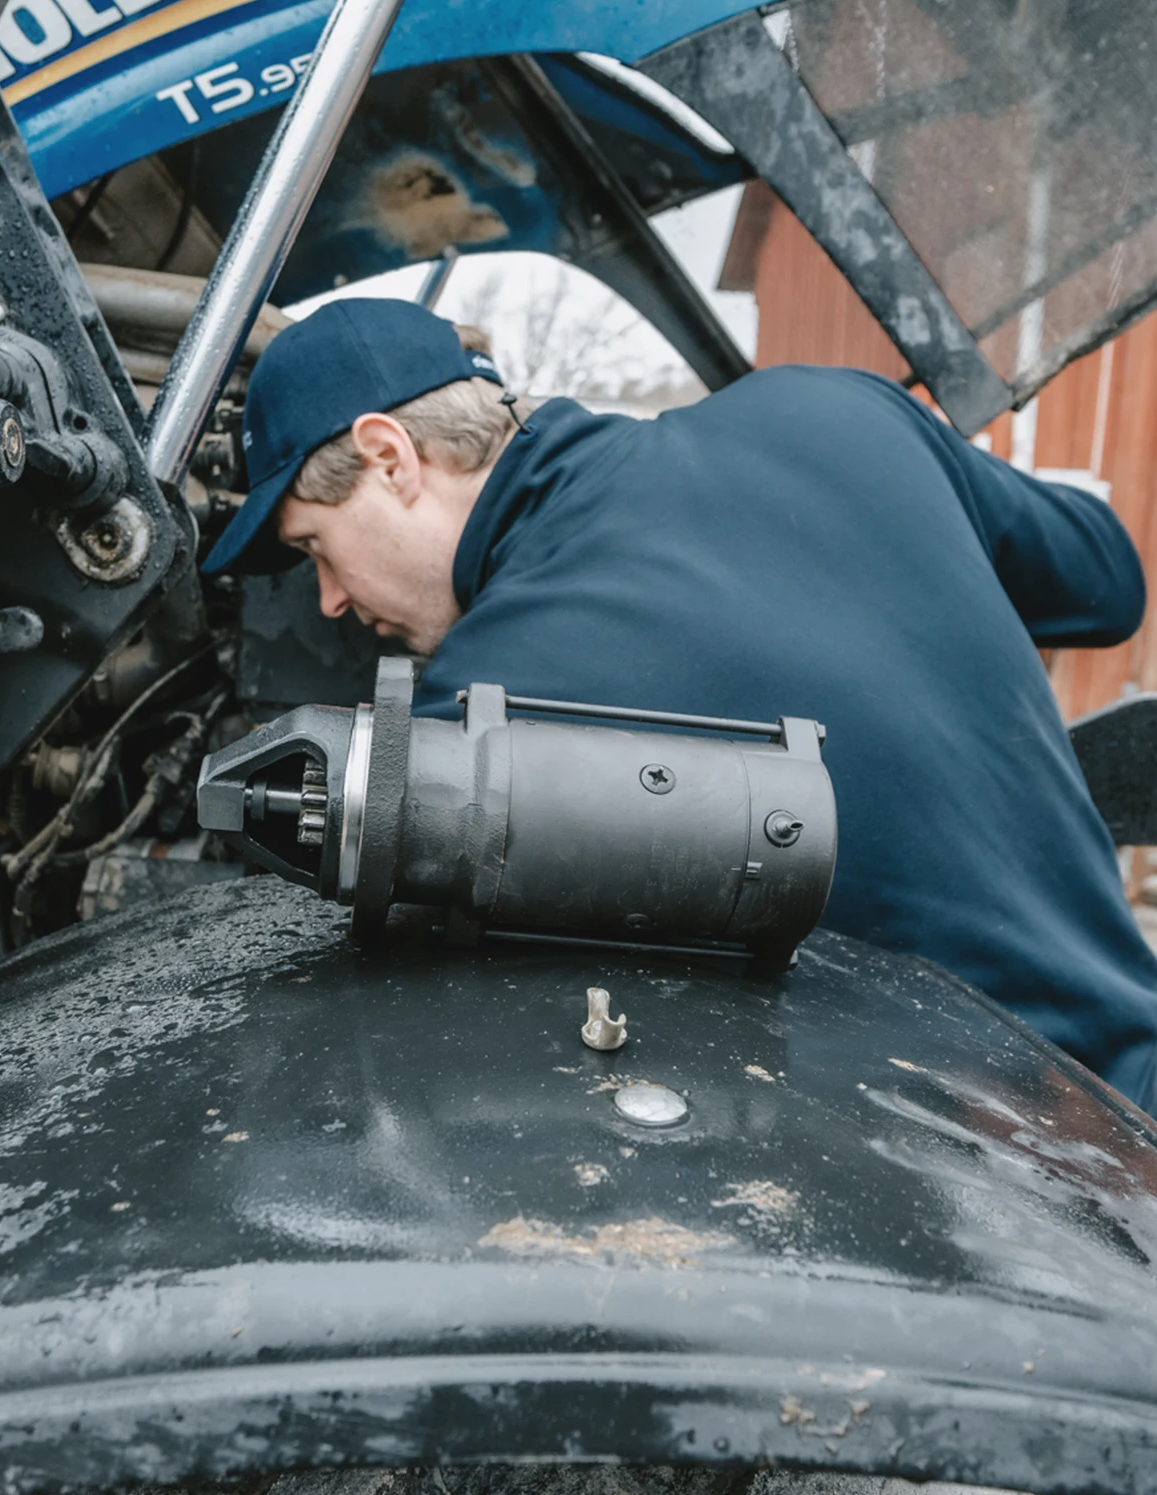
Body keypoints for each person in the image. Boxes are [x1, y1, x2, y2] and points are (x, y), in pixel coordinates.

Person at [203, 297, 1157, 1112]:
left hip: (1008, 1177)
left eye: (315, 547)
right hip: (1132, 1083)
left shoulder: (493, 722)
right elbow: (1107, 581)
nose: (327, 599)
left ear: (390, 456)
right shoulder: (832, 406)